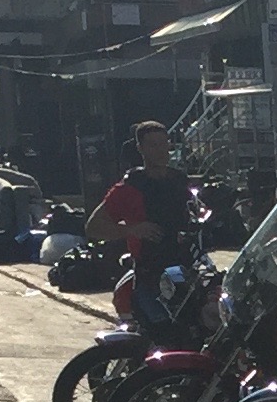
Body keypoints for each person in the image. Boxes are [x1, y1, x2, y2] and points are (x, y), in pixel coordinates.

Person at [85, 119, 199, 299]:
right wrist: (132, 229)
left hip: (187, 267)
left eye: (163, 144)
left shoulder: (179, 181)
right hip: (150, 273)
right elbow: (93, 227)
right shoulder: (129, 188)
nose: (160, 151)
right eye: (153, 145)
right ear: (140, 149)